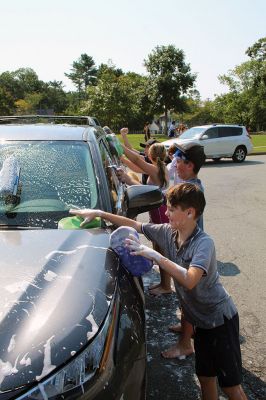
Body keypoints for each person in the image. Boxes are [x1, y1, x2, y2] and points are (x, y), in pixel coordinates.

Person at [69, 183, 247, 400]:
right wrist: (99, 213)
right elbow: (135, 225)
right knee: (205, 377)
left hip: (220, 321)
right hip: (202, 323)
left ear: (190, 212)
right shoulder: (168, 232)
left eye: (172, 209)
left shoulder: (203, 244)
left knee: (230, 387)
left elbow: (190, 280)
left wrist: (156, 257)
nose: (166, 212)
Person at [161, 142, 206, 359]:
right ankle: (186, 326)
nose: (175, 164)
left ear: (190, 165)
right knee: (183, 294)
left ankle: (185, 343)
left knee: (188, 294)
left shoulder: (192, 190)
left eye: (179, 161)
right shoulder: (191, 185)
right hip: (186, 243)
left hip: (190, 247)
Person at [120, 141, 173, 295]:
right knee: (158, 249)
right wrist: (123, 159)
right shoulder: (159, 168)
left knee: (162, 251)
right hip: (158, 212)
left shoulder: (155, 169)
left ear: (151, 155)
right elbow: (136, 166)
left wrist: (119, 145)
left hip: (159, 215)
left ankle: (166, 287)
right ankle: (164, 284)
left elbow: (137, 160)